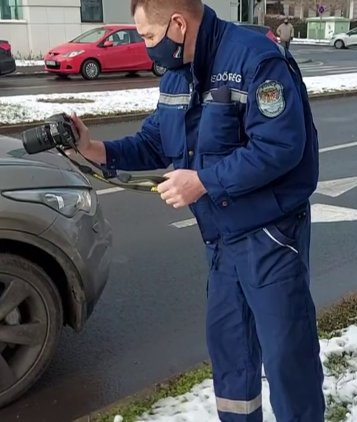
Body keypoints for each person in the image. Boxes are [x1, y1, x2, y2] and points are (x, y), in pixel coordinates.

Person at [69, 0, 325, 420]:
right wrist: (94, 149)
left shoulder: (256, 59)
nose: (147, 46)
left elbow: (280, 147)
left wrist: (204, 181)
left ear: (178, 24)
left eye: (149, 36)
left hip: (271, 236)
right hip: (221, 241)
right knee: (231, 352)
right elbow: (155, 141)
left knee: (287, 357)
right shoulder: (177, 73)